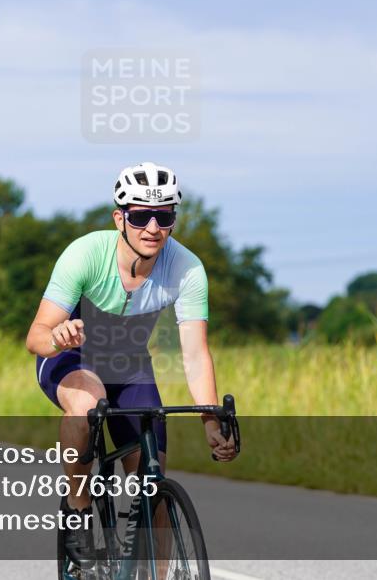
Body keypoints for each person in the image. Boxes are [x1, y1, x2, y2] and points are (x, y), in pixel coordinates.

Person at [25, 162, 236, 568]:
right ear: (119, 218)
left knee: (151, 481)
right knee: (88, 408)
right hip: (72, 356)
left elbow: (195, 354)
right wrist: (58, 337)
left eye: (165, 216)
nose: (153, 228)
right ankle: (79, 509)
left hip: (129, 365)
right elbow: (35, 337)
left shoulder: (187, 268)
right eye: (141, 216)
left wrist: (211, 421)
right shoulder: (85, 255)